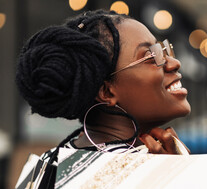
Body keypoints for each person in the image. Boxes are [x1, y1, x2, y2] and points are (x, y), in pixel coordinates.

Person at [15, 9, 191, 157]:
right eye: (150, 56)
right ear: (106, 92)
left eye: (163, 50)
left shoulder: (51, 162)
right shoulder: (133, 175)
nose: (174, 63)